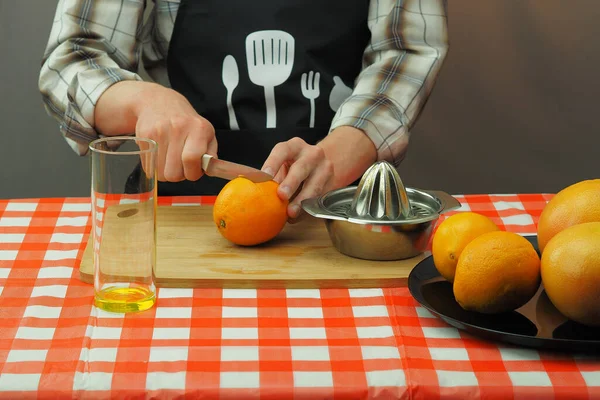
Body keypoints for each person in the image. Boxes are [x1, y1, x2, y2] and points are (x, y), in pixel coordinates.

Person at [39, 0, 449, 220]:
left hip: (339, 210)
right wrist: (146, 100)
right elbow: (75, 54)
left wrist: (343, 148)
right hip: (181, 207)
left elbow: (407, 47)